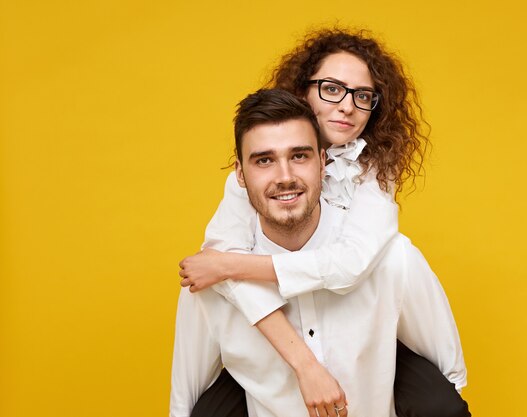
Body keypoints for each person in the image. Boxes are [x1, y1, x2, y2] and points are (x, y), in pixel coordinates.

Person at [178, 29, 470, 416]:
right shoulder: (246, 178)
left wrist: (234, 265)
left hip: (364, 334)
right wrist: (303, 364)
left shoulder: (374, 175)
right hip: (270, 345)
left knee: (437, 402)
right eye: (332, 89)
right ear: (301, 94)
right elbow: (217, 263)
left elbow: (350, 264)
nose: (347, 106)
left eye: (362, 96)